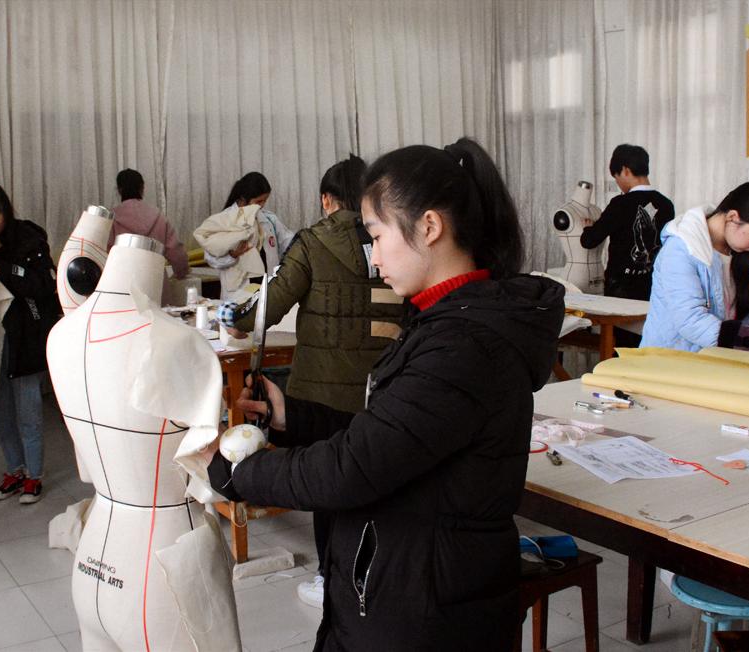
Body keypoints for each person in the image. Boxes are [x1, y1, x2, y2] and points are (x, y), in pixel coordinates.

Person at [204, 138, 565, 649]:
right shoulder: (442, 321)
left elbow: (352, 469)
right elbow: (394, 439)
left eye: (376, 235)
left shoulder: (464, 345)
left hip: (430, 611)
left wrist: (243, 474)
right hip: (409, 583)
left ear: (429, 227)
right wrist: (296, 418)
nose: (373, 258)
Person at [221, 154, 407, 609]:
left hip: (318, 397)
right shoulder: (391, 241)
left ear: (327, 199)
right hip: (383, 393)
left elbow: (268, 307)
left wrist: (234, 318)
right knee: (377, 483)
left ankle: (329, 577)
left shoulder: (313, 242)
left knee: (329, 485)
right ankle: (374, 575)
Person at [0, 172, 61, 503]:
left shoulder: (29, 239)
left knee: (28, 411)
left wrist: (1, 268)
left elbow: (43, 286)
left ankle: (34, 475)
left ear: (5, 212)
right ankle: (14, 470)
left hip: (25, 335)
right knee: (0, 412)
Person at [641, 180, 749, 356]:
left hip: (717, 358)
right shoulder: (680, 250)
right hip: (670, 361)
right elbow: (690, 320)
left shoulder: (739, 250)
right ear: (733, 217)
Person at [581, 144, 674, 347]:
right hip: (652, 289)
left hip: (620, 293)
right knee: (647, 343)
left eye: (617, 178)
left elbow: (589, 241)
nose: (619, 184)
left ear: (625, 170)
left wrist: (588, 228)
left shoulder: (620, 204)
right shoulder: (666, 205)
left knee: (620, 347)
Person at [203, 171, 295, 276]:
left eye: (265, 201)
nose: (262, 205)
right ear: (243, 200)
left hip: (269, 284)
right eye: (258, 201)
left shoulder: (270, 220)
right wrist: (232, 255)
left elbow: (289, 243)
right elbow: (211, 259)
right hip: (240, 285)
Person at [108, 168, 189, 280]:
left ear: (119, 190)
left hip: (122, 282)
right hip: (155, 282)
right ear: (142, 188)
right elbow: (177, 254)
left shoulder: (111, 220)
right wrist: (181, 273)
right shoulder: (158, 217)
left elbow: (102, 256)